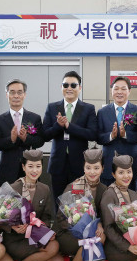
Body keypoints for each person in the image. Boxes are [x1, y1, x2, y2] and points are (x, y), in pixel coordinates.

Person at [3, 150, 64, 261]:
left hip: (35, 236)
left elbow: (48, 217)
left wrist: (45, 229)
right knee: (52, 248)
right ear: (23, 167)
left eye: (38, 166)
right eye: (30, 166)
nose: (34, 170)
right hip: (16, 239)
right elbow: (0, 218)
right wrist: (13, 227)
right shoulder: (13, 188)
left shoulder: (44, 189)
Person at [52, 148, 108, 261]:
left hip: (88, 232)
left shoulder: (103, 189)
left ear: (102, 168)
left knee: (100, 249)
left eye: (96, 168)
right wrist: (81, 229)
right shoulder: (74, 187)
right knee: (93, 242)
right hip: (66, 232)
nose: (92, 172)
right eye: (88, 168)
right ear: (83, 168)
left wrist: (99, 224)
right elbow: (60, 218)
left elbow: (102, 215)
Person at [42, 71, 98, 202]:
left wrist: (69, 126)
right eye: (65, 85)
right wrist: (58, 125)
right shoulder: (52, 107)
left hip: (79, 164)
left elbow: (92, 134)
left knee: (78, 203)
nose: (69, 88)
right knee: (58, 201)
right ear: (61, 87)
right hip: (57, 163)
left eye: (73, 85)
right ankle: (59, 223)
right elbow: (44, 135)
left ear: (80, 88)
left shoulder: (88, 108)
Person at [0, 79, 44, 186]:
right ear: (7, 95)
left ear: (24, 95)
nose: (16, 96)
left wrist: (26, 138)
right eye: (12, 92)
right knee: (7, 202)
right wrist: (11, 139)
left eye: (19, 92)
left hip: (30, 169)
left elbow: (40, 141)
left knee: (31, 201)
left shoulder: (35, 118)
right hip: (7, 170)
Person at [96, 76, 137, 190]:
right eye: (116, 88)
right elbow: (97, 136)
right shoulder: (102, 112)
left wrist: (126, 135)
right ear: (111, 90)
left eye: (123, 89)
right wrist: (110, 136)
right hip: (108, 164)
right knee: (108, 201)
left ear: (129, 91)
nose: (119, 92)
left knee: (130, 201)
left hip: (131, 163)